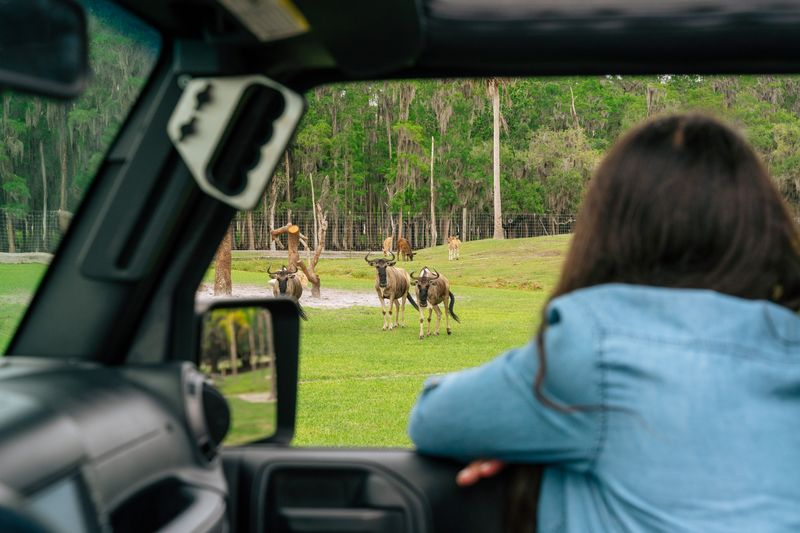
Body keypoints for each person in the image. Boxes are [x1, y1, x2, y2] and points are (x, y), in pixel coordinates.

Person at [407, 113, 800, 531]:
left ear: (611, 227)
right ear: (761, 226)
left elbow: (434, 416)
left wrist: (527, 440)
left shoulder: (595, 345)